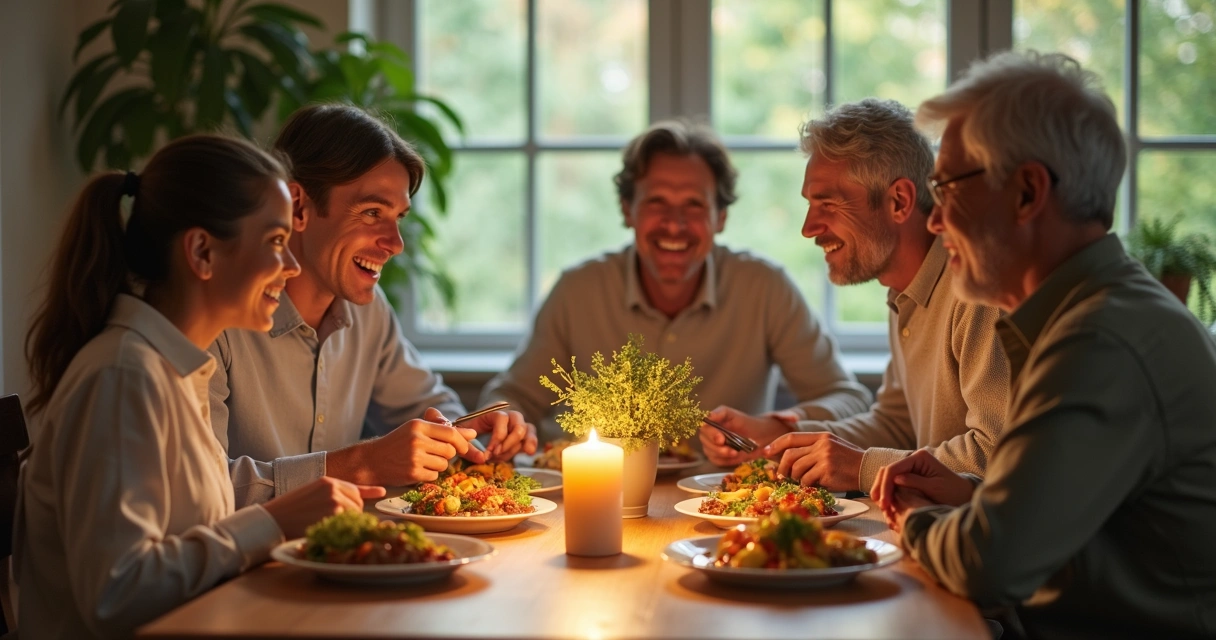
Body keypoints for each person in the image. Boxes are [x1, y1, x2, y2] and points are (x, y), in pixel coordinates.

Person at [871, 51, 1216, 638]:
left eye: (948, 187)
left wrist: (916, 523)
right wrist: (971, 494)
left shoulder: (1100, 341)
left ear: (1028, 192)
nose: (933, 221)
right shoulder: (1090, 314)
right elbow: (1077, 522)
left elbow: (989, 563)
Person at [18, 135, 384, 638]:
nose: (293, 266)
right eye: (276, 242)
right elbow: (115, 596)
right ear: (202, 251)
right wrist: (274, 521)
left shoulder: (179, 372)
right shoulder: (124, 377)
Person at [210, 104, 537, 504]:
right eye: (371, 212)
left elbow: (426, 410)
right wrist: (362, 463)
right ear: (298, 207)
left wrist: (474, 431)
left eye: (398, 217)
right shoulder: (216, 316)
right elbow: (201, 488)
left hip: (348, 555)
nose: (396, 243)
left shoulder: (368, 309)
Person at [479, 120, 871, 445]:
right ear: (627, 210)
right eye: (657, 203)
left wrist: (783, 423)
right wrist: (508, 422)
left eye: (694, 206)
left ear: (720, 218)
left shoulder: (764, 288)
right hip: (591, 497)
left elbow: (849, 399)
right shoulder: (578, 290)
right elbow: (510, 397)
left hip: (717, 500)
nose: (674, 224)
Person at [699, 99, 1009, 494]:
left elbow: (997, 453)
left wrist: (863, 468)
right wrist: (779, 436)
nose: (808, 228)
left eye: (827, 203)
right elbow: (896, 425)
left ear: (898, 201)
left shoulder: (977, 286)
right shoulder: (905, 291)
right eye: (810, 205)